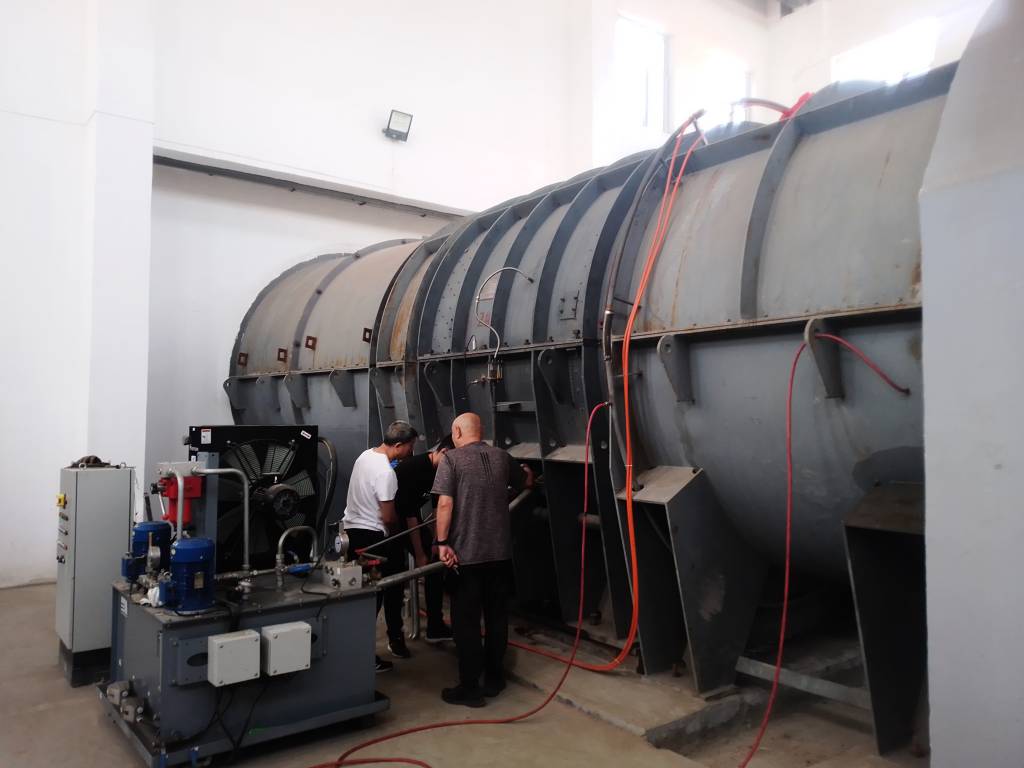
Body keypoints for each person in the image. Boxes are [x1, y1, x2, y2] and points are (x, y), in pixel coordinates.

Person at [432, 413, 534, 707]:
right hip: (500, 555)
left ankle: (470, 688)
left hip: (466, 557)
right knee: (497, 619)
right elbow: (526, 482)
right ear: (481, 431)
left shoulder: (451, 460)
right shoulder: (502, 457)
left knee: (466, 624)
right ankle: (494, 679)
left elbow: (445, 504)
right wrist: (527, 472)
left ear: (456, 432)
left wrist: (442, 543)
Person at [342, 420, 418, 672]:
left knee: (363, 595)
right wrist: (397, 535)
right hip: (374, 541)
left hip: (353, 534)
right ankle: (367, 657)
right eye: (410, 446)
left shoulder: (365, 456)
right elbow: (388, 517)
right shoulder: (386, 473)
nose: (411, 451)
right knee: (377, 596)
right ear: (399, 445)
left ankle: (356, 651)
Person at [394, 434, 456, 644]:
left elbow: (439, 509)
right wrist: (421, 553)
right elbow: (410, 516)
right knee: (398, 575)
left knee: (435, 567)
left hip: (410, 518)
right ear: (444, 452)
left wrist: (438, 541)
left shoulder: (441, 470)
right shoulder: (414, 469)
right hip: (391, 521)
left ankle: (435, 626)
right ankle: (397, 636)